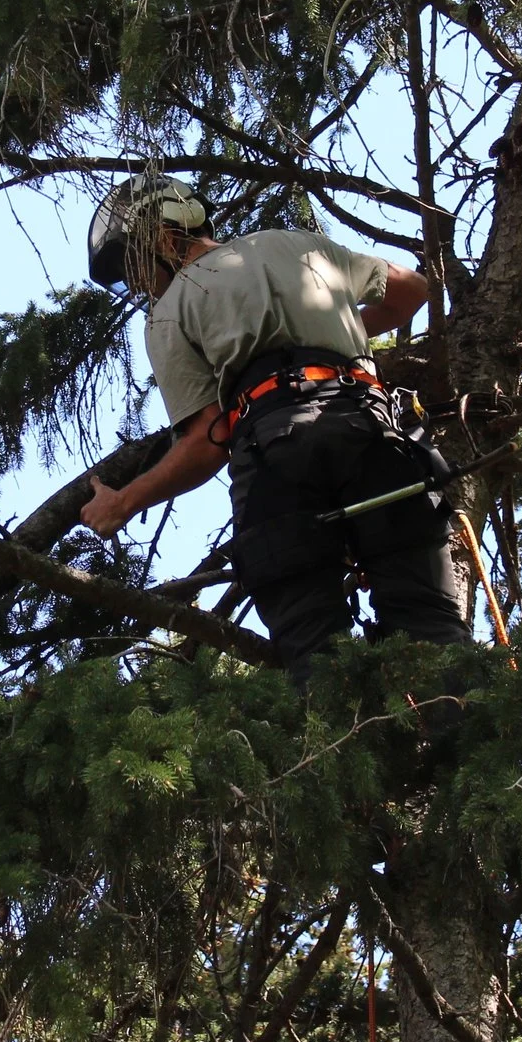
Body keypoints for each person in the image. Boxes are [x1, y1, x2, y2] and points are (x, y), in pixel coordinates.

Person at [76, 175, 471, 679]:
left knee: (316, 656)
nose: (138, 285)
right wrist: (338, 324)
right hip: (370, 434)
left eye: (135, 266)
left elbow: (207, 441)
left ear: (164, 238)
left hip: (275, 462)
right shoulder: (298, 244)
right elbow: (411, 291)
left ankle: (354, 748)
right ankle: (460, 732)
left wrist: (123, 501)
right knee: (433, 631)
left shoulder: (169, 314)